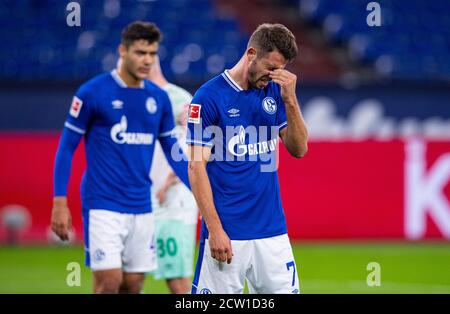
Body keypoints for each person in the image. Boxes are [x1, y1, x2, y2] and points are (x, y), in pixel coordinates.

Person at [51, 21, 190, 294]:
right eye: (140, 52)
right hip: (103, 204)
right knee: (109, 282)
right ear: (122, 51)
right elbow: (66, 148)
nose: (147, 60)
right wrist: (59, 201)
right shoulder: (93, 92)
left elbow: (175, 154)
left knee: (133, 284)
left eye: (152, 54)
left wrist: (204, 194)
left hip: (142, 205)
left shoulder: (158, 99)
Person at [187, 23, 308, 294]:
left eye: (281, 69)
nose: (275, 75)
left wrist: (290, 101)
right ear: (252, 52)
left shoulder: (274, 91)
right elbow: (196, 167)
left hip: (272, 233)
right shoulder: (208, 97)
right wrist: (215, 229)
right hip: (228, 235)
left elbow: (299, 149)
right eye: (271, 67)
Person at [148, 56, 198, 294]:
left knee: (175, 275)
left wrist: (169, 180)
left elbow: (195, 147)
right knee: (132, 272)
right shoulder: (139, 98)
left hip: (174, 198)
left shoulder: (180, 99)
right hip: (149, 197)